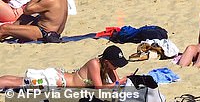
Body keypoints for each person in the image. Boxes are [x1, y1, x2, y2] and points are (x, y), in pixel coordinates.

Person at [0, 45, 128, 89]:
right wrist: (118, 82)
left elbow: (117, 81)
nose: (116, 67)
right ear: (106, 61)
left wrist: (120, 80)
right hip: (53, 80)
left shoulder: (107, 67)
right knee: (19, 82)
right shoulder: (94, 64)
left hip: (58, 78)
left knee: (19, 80)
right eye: (115, 64)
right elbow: (100, 87)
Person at [0, 0, 68, 43]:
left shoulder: (49, 1)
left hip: (45, 33)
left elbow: (26, 10)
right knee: (24, 19)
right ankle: (8, 33)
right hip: (55, 32)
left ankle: (5, 32)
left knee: (4, 28)